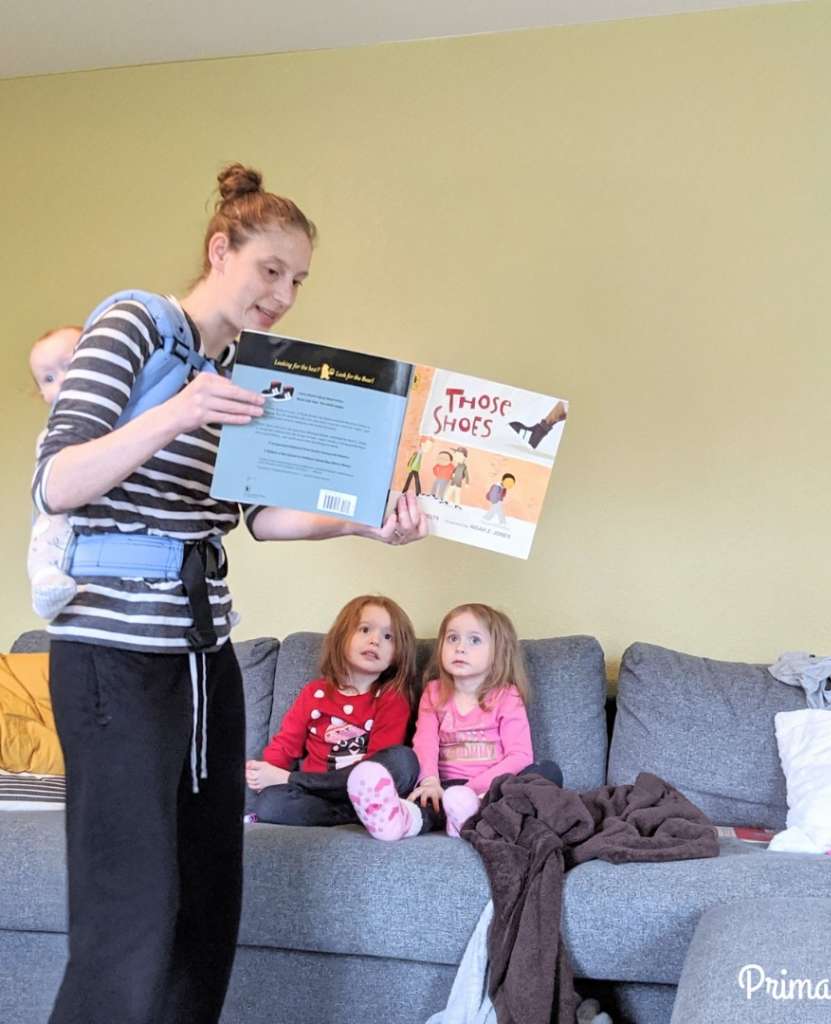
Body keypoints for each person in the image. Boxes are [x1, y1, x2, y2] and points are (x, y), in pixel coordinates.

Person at [33, 163, 426, 1024]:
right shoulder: (134, 323)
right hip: (115, 654)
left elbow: (259, 518)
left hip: (205, 654)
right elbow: (57, 482)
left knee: (208, 902)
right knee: (129, 909)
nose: (284, 295)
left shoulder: (245, 371)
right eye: (270, 270)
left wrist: (368, 524)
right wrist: (177, 410)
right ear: (222, 250)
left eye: (298, 280)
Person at [347, 602, 561, 841]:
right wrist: (429, 781)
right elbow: (425, 743)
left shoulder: (507, 695)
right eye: (452, 639)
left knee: (546, 772)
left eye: (474, 640)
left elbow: (520, 756)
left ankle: (473, 814)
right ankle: (397, 819)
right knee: (427, 805)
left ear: (499, 652)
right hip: (444, 788)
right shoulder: (433, 692)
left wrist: (471, 789)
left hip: (490, 790)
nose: (460, 648)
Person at [245, 595, 420, 826]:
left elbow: (379, 764)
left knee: (403, 759)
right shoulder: (314, 694)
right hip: (317, 796)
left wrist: (289, 778)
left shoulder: (391, 698)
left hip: (368, 794)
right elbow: (286, 745)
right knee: (270, 804)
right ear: (341, 638)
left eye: (388, 637)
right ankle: (356, 818)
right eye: (365, 629)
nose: (375, 640)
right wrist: (265, 771)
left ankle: (366, 811)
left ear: (398, 654)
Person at [26, 325, 81, 619]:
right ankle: (44, 584)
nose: (61, 382)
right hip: (61, 519)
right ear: (42, 394)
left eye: (70, 366)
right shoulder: (51, 434)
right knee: (45, 541)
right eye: (48, 378)